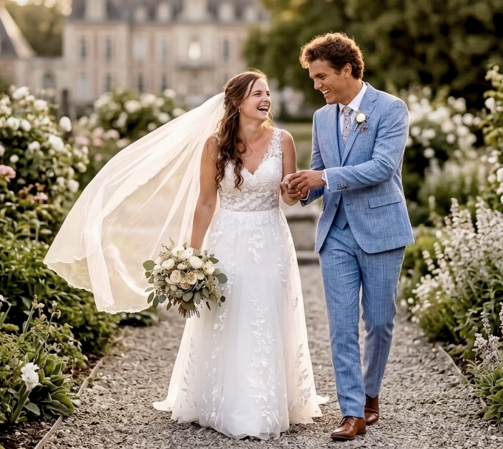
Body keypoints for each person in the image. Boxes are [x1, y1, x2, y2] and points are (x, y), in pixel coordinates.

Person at [45, 70, 324, 440]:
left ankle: (268, 402)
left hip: (270, 237)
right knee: (227, 314)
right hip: (226, 236)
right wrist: (191, 258)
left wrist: (293, 189)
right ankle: (220, 401)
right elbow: (206, 202)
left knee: (267, 312)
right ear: (237, 102)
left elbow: (289, 197)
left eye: (268, 93)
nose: (266, 99)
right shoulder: (215, 146)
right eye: (258, 93)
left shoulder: (284, 141)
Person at [283, 33, 414, 442]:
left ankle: (371, 394)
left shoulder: (391, 109)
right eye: (312, 78)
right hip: (336, 232)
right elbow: (322, 173)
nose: (317, 85)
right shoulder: (322, 118)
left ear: (347, 70)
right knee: (341, 325)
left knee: (379, 321)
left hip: (381, 230)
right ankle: (352, 411)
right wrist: (304, 189)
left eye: (322, 76)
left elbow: (382, 168)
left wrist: (324, 177)